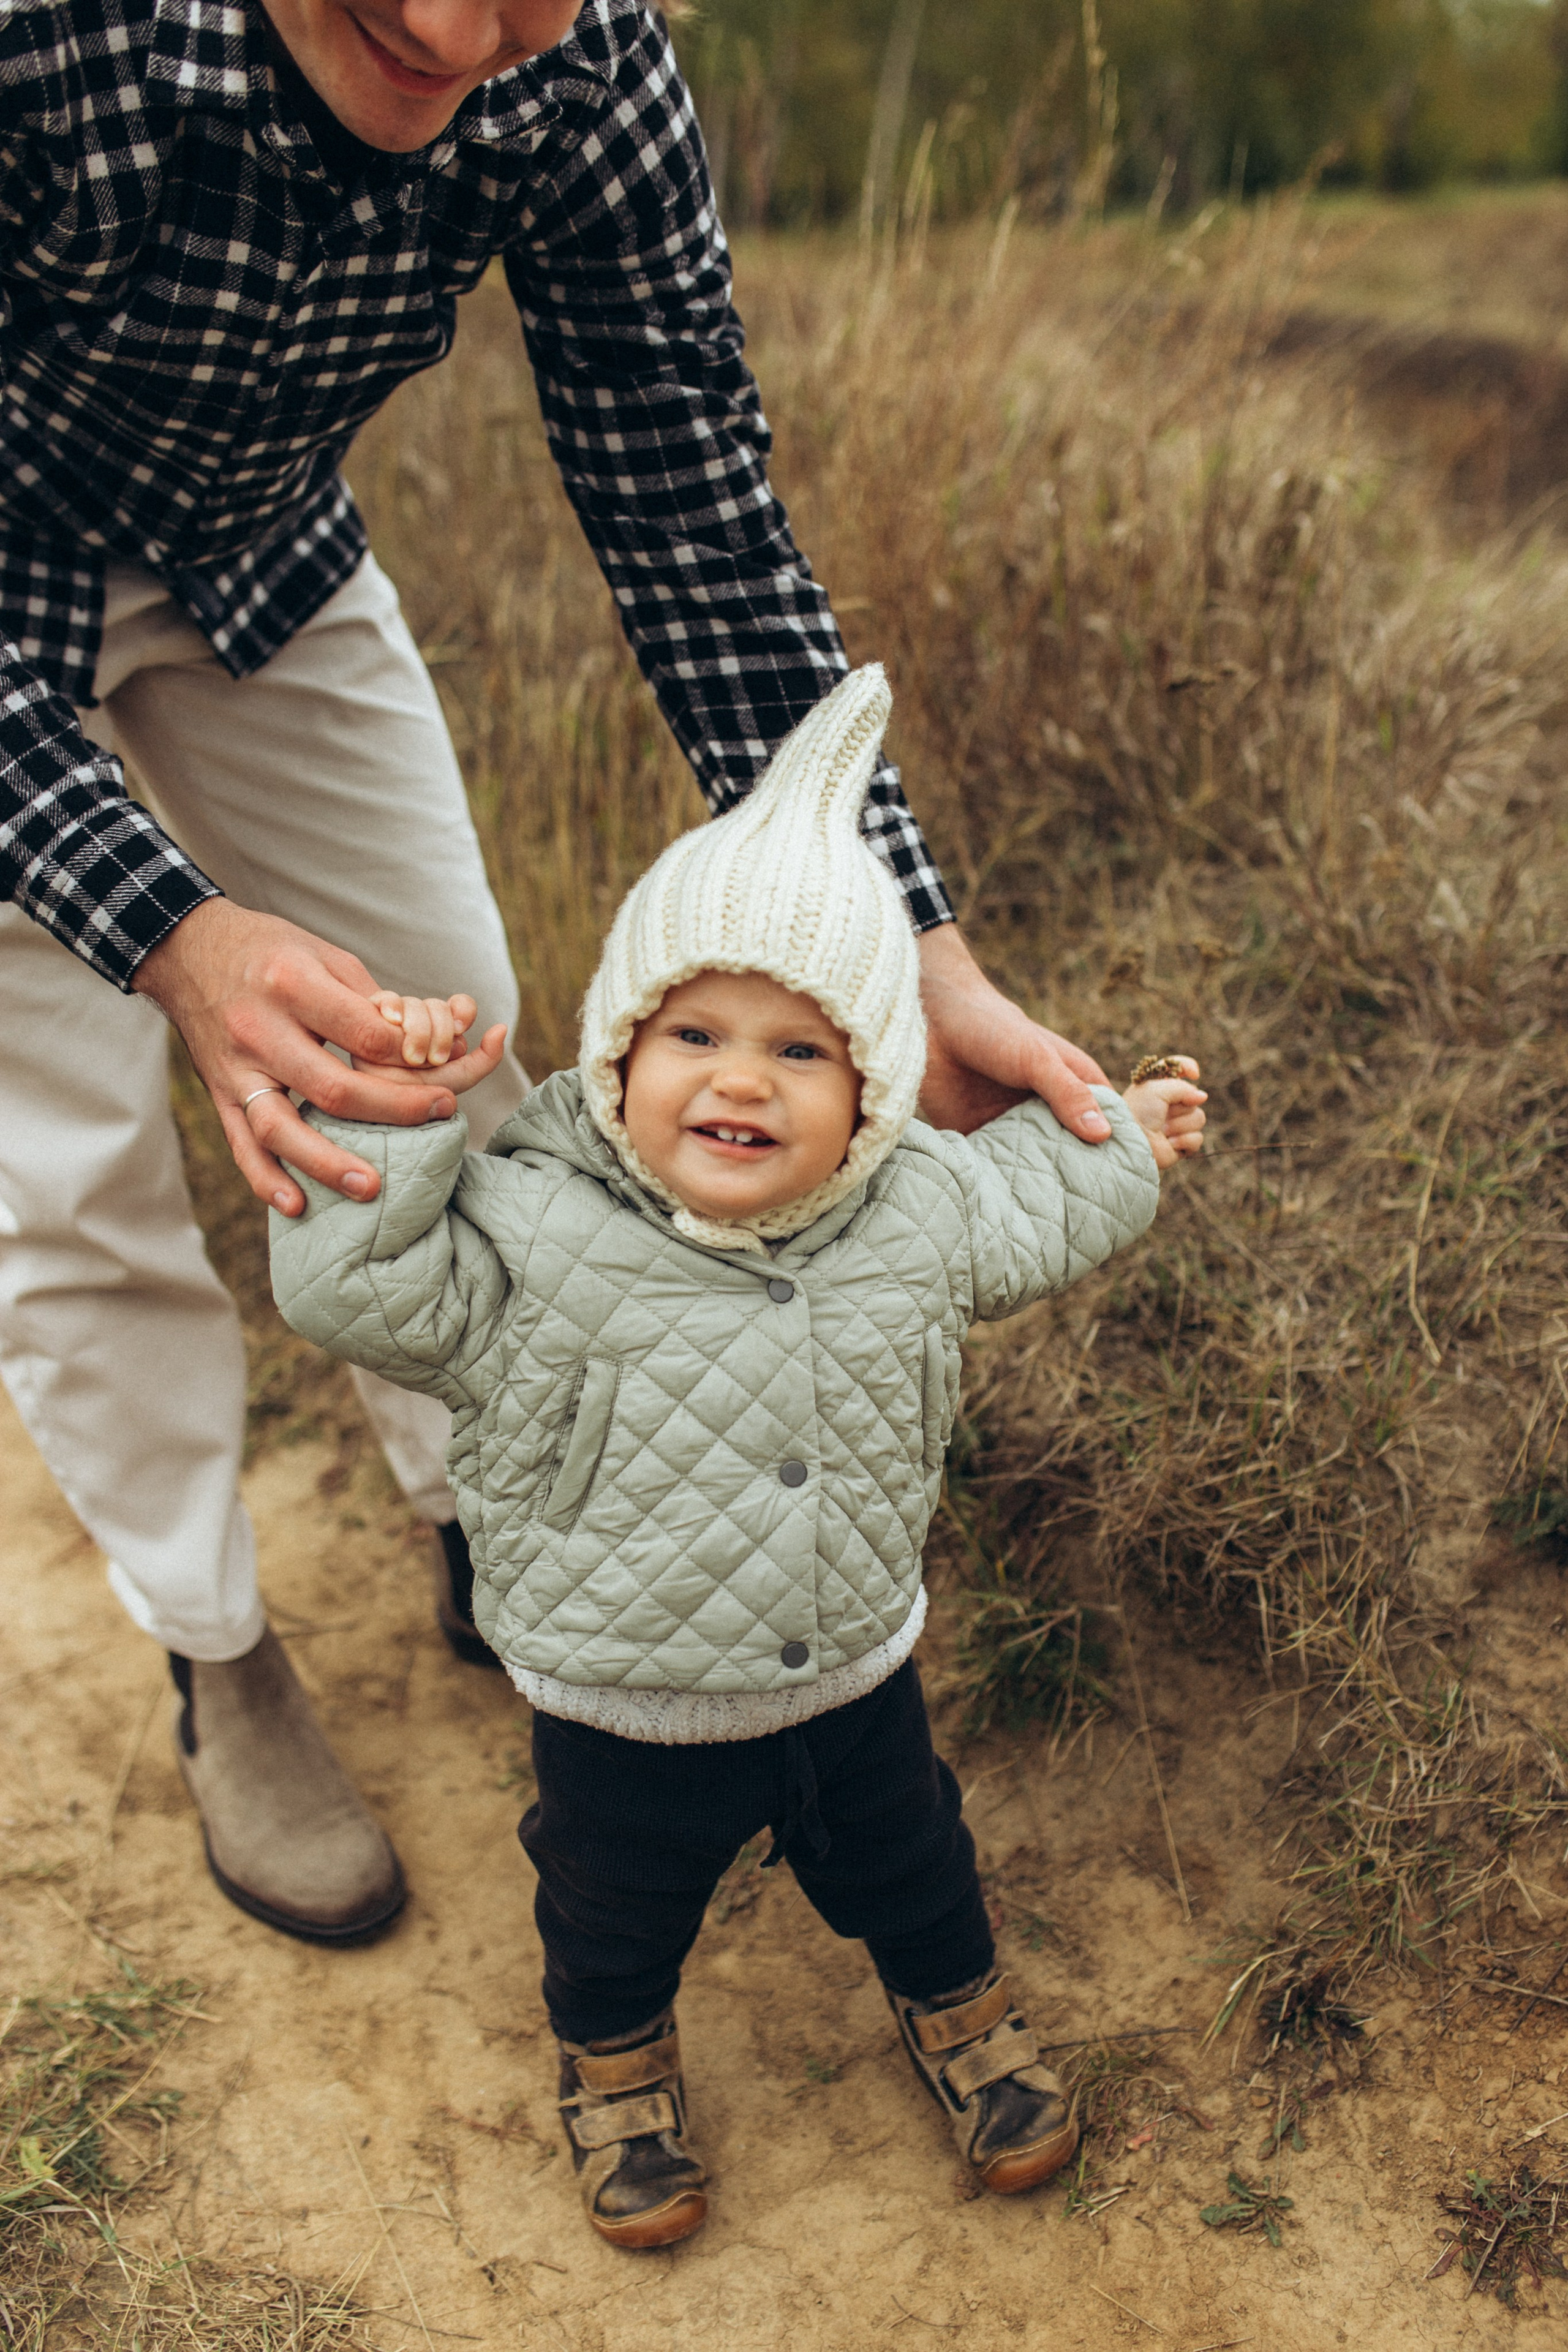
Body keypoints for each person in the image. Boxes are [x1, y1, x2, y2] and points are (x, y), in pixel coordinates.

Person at [0, 0, 1117, 1947]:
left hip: (265, 559)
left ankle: (490, 1516)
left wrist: (913, 947)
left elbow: (693, 510)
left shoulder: (582, 65)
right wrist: (174, 934)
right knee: (74, 1166)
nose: (458, 36)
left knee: (460, 1035)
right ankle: (215, 1645)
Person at [269, 666, 1207, 2245]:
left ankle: (960, 2012)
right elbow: (349, 1285)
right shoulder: (527, 1221)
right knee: (610, 1908)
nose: (741, 1078)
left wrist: (1123, 1137)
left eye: (802, 1050)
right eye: (694, 1031)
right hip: (614, 1688)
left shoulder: (919, 1205)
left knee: (916, 1862)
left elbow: (1042, 1199)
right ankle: (617, 2071)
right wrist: (403, 1119)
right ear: (618, 1051)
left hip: (850, 1663)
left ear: (876, 1091)